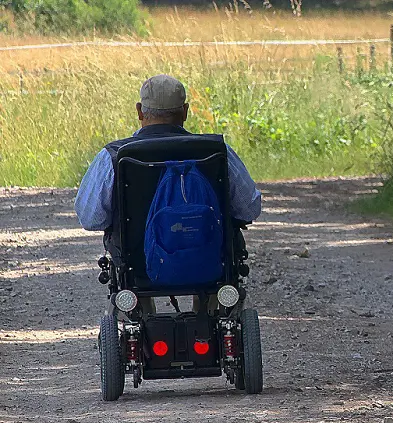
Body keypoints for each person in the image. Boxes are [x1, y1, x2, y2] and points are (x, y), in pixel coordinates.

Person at [75, 74, 262, 312]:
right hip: (211, 260)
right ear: (185, 111)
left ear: (140, 111)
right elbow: (249, 208)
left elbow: (91, 219)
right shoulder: (216, 152)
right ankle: (208, 322)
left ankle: (141, 330)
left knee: (130, 275)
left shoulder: (114, 155)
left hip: (138, 264)